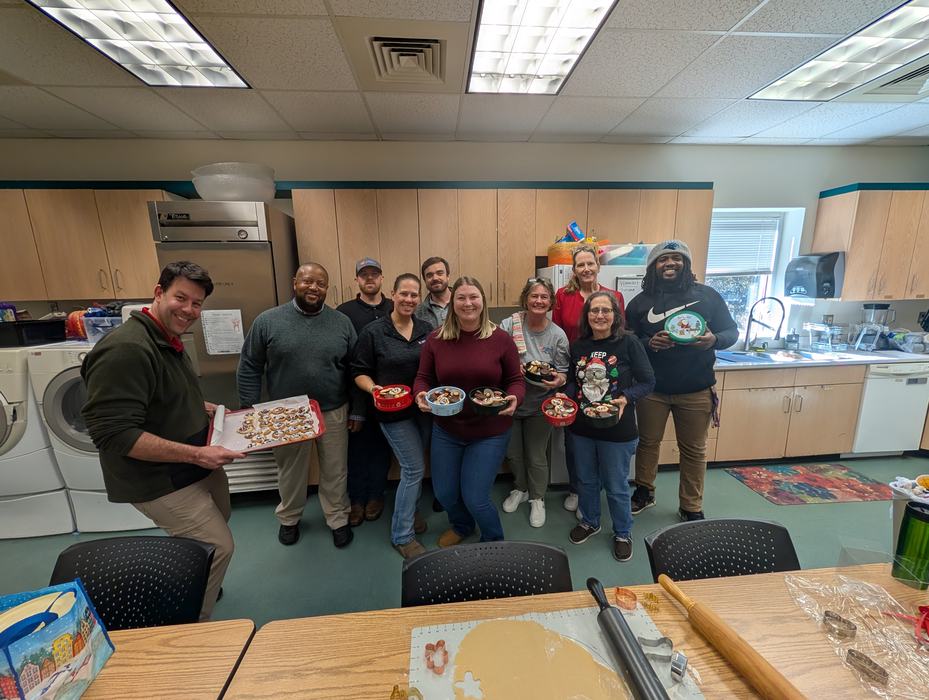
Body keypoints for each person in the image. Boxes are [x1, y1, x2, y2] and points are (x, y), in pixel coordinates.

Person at [82, 261, 243, 621]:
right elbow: (114, 433)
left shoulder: (168, 338)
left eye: (197, 303)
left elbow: (163, 395)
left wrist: (204, 408)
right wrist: (197, 454)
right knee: (218, 545)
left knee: (217, 522)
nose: (188, 310)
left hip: (193, 464)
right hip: (159, 478)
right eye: (180, 298)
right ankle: (194, 627)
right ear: (159, 293)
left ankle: (192, 578)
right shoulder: (126, 350)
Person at [237, 262, 360, 548]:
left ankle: (338, 518)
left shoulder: (341, 322)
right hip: (287, 413)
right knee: (291, 471)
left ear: (327, 288)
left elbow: (356, 369)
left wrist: (357, 409)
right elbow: (250, 366)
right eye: (307, 281)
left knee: (335, 469)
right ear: (295, 283)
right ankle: (289, 519)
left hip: (333, 408)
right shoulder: (268, 321)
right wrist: (249, 410)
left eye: (320, 283)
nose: (313, 287)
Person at [624, 240, 738, 521]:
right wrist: (649, 343)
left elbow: (731, 332)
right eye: (663, 259)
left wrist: (714, 340)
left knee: (694, 449)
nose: (670, 263)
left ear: (686, 263)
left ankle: (690, 505)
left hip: (696, 388)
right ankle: (644, 491)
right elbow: (628, 340)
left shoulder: (708, 296)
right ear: (653, 267)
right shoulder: (640, 303)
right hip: (652, 388)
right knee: (648, 443)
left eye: (676, 258)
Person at [413, 276, 524, 545]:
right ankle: (462, 526)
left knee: (475, 496)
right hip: (447, 429)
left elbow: (515, 381)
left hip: (490, 431)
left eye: (473, 297)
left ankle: (493, 539)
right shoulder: (436, 339)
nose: (468, 303)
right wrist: (420, 394)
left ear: (482, 301)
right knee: (445, 493)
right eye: (461, 297)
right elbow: (423, 377)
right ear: (453, 302)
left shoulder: (501, 339)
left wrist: (514, 399)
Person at [559, 291, 654, 562]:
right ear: (586, 316)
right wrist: (564, 394)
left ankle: (623, 532)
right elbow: (572, 382)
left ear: (615, 315)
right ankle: (590, 521)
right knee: (586, 480)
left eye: (605, 310)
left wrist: (626, 398)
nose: (600, 315)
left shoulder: (629, 343)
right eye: (594, 310)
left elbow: (648, 381)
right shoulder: (578, 345)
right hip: (582, 427)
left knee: (616, 485)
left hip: (618, 427)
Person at [352, 273, 433, 558]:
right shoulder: (374, 332)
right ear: (393, 294)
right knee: (413, 469)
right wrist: (375, 390)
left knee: (416, 465)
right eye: (404, 294)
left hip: (423, 410)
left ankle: (408, 512)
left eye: (414, 294)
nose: (409, 299)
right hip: (392, 412)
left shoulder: (427, 328)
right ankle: (402, 534)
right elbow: (359, 371)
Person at [552, 243, 626, 514]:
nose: (586, 269)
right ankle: (577, 488)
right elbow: (557, 335)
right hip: (574, 374)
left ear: (598, 266)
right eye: (580, 264)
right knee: (575, 438)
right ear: (573, 269)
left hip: (606, 373)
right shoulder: (563, 296)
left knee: (604, 435)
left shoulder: (614, 296)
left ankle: (598, 492)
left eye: (590, 263)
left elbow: (621, 335)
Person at [498, 278, 569, 527]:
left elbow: (562, 371)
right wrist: (508, 365)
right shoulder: (510, 325)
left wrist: (557, 380)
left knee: (537, 455)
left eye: (544, 297)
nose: (539, 301)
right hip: (511, 402)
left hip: (541, 403)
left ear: (551, 302)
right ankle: (520, 488)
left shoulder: (557, 335)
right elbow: (494, 356)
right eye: (534, 296)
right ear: (526, 299)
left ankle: (537, 498)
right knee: (514, 453)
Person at [337, 257, 394, 527]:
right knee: (357, 449)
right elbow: (347, 362)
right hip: (358, 395)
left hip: (391, 396)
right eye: (364, 275)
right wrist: (357, 406)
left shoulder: (395, 308)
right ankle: (356, 500)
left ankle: (376, 496)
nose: (370, 279)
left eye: (375, 274)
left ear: (382, 278)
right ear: (357, 279)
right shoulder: (344, 312)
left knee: (382, 448)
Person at [415, 256, 452, 328]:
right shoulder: (418, 313)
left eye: (440, 273)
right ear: (425, 280)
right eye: (429, 275)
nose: (435, 278)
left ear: (448, 276)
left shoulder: (463, 304)